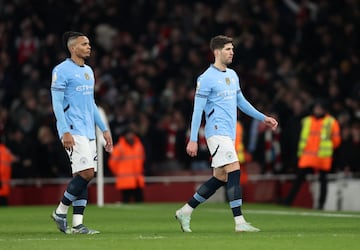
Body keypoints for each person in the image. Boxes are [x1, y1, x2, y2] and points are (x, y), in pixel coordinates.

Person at [175, 35, 278, 233]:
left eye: (232, 49)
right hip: (216, 132)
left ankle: (185, 211)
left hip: (229, 134)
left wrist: (262, 117)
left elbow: (241, 101)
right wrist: (193, 139)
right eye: (228, 49)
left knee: (220, 177)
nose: (232, 52)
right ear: (217, 52)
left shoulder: (233, 75)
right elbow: (198, 110)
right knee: (234, 168)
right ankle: (239, 222)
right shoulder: (205, 79)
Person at [50, 31, 113, 234]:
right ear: (73, 48)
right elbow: (57, 105)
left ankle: (77, 224)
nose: (89, 47)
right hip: (73, 130)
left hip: (88, 131)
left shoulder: (88, 71)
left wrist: (104, 128)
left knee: (83, 175)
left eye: (89, 44)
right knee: (87, 173)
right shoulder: (61, 70)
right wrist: (65, 131)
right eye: (84, 44)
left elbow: (91, 103)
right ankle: (60, 212)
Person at [283, 98, 341, 209]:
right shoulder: (308, 121)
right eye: (316, 108)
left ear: (324, 109)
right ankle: (288, 201)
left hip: (321, 157)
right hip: (309, 156)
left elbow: (337, 141)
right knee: (299, 180)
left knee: (322, 181)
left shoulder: (330, 122)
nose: (317, 110)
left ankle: (320, 205)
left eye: (319, 108)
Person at [108, 125, 146, 203]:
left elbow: (142, 159)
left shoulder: (139, 145)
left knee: (140, 201)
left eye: (131, 134)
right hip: (125, 181)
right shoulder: (119, 147)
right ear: (124, 135)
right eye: (128, 134)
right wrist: (119, 173)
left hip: (137, 180)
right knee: (126, 201)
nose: (130, 136)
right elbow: (112, 163)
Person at [0, 141, 14, 206]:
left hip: (1, 181)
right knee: (4, 201)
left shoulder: (1, 151)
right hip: (5, 181)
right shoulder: (7, 151)